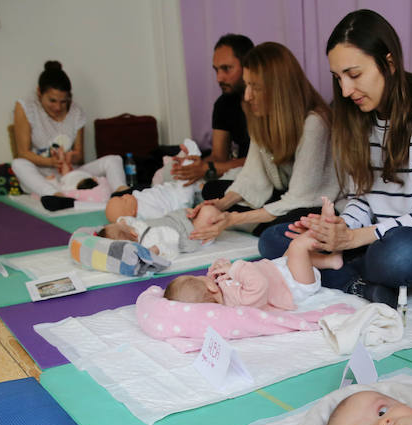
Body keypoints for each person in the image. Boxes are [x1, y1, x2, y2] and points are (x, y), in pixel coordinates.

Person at [259, 9, 412, 309]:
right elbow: (361, 197)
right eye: (338, 78)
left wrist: (351, 240)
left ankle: (342, 271)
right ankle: (359, 283)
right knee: (274, 239)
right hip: (380, 235)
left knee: (395, 257)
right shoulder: (357, 116)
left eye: (354, 75)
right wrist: (337, 229)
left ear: (389, 63)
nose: (345, 90)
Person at [186, 42, 338, 242]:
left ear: (278, 89)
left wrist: (232, 219)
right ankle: (254, 223)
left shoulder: (314, 123)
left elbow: (299, 198)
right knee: (211, 190)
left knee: (283, 229)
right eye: (246, 85)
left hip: (313, 202)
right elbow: (252, 175)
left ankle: (255, 225)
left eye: (255, 87)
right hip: (284, 195)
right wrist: (219, 206)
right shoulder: (261, 118)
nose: (247, 96)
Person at [165, 199, 342, 306]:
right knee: (298, 246)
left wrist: (221, 267)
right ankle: (326, 224)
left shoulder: (223, 289)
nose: (207, 276)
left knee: (292, 254)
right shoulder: (236, 300)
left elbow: (232, 271)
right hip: (295, 284)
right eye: (202, 278)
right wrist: (233, 270)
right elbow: (259, 284)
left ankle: (331, 262)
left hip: (282, 271)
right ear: (210, 288)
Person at [11, 61, 127, 200]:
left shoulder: (76, 112)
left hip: (71, 174)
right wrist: (50, 162)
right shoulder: (26, 108)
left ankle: (122, 192)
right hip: (43, 175)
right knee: (18, 164)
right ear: (39, 92)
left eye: (63, 101)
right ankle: (54, 195)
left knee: (114, 159)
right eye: (52, 101)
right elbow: (23, 153)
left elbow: (80, 156)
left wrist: (72, 157)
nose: (58, 107)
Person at [170, 34, 254, 192]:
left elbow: (265, 162)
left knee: (212, 190)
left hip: (259, 176)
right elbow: (219, 156)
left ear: (247, 66)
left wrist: (209, 168)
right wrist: (190, 165)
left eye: (226, 69)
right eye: (216, 70)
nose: (219, 78)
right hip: (239, 172)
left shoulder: (267, 102)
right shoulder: (224, 103)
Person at [97, 204, 222, 260]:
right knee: (209, 212)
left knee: (204, 209)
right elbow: (171, 247)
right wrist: (157, 250)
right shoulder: (149, 244)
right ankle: (207, 238)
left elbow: (126, 220)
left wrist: (122, 222)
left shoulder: (134, 227)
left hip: (178, 219)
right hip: (189, 233)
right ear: (133, 234)